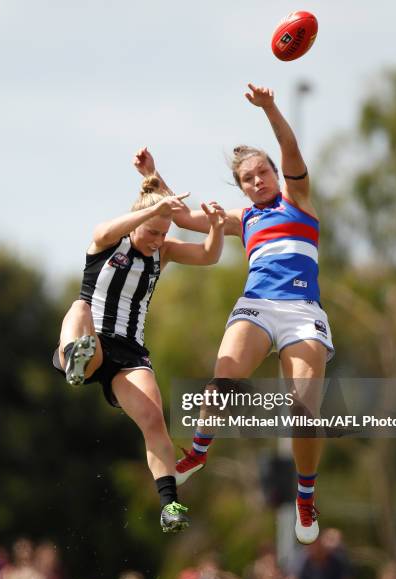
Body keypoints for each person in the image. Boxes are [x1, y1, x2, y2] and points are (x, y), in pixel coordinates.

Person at [146, 84, 334, 545]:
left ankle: (305, 499)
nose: (256, 181)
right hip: (256, 306)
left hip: (301, 311)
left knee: (304, 412)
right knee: (222, 381)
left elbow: (290, 147)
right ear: (242, 187)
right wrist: (153, 179)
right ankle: (199, 452)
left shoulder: (298, 199)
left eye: (262, 172)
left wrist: (269, 107)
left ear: (275, 172)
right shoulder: (245, 218)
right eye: (247, 178)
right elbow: (187, 219)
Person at [52, 164, 225, 533]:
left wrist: (215, 226)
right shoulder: (109, 241)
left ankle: (170, 506)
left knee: (154, 418)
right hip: (93, 337)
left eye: (164, 234)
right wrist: (155, 209)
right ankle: (74, 359)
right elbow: (105, 228)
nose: (158, 240)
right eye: (152, 232)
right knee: (79, 307)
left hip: (129, 353)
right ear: (136, 221)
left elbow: (210, 255)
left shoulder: (163, 253)